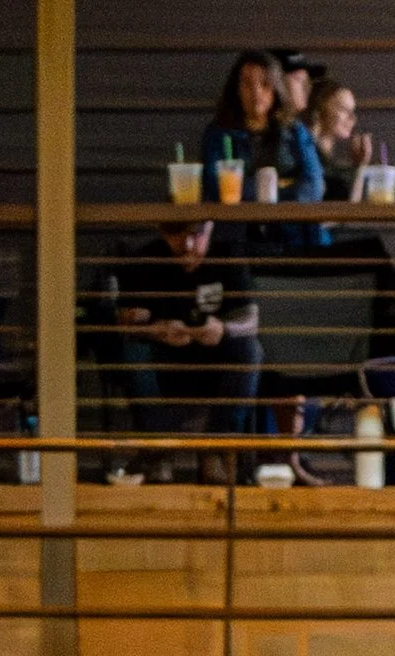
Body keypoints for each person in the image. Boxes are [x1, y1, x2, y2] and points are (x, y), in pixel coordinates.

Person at [109, 219, 262, 478]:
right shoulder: (149, 259)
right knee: (134, 351)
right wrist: (155, 329)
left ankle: (214, 448)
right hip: (165, 365)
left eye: (197, 235)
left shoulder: (227, 255)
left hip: (216, 363)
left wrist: (223, 329)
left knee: (251, 350)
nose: (188, 245)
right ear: (162, 231)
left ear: (211, 228)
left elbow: (250, 318)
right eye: (176, 235)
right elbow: (127, 321)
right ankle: (157, 450)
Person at [200, 49, 325, 250]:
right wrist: (281, 187)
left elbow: (314, 185)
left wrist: (255, 191)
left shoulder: (294, 131)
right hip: (239, 241)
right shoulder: (218, 134)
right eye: (247, 84)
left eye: (265, 84)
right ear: (236, 89)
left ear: (276, 88)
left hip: (297, 238)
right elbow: (217, 188)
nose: (256, 92)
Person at [309, 79, 377, 197]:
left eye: (352, 111)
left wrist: (360, 166)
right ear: (321, 109)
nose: (352, 118)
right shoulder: (307, 158)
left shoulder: (328, 164)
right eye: (344, 109)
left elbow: (349, 210)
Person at [272, 49, 326, 120]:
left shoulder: (296, 128)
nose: (307, 86)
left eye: (308, 80)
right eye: (298, 79)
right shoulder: (262, 129)